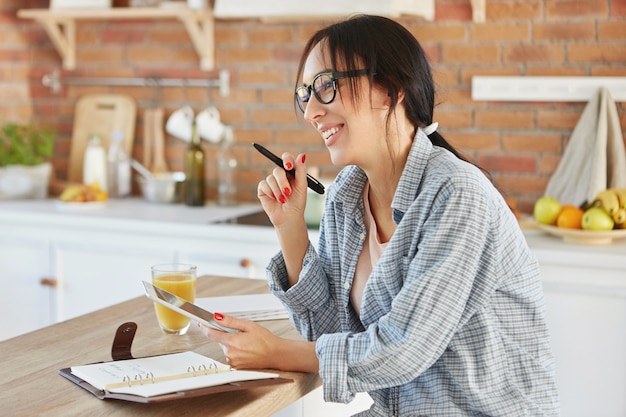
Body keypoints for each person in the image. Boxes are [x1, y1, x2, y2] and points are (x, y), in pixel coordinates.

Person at [202, 14, 560, 416]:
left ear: (389, 90)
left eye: (326, 87)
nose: (310, 113)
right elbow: (330, 336)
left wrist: (276, 351)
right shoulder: (345, 197)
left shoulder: (458, 194)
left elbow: (401, 349)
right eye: (305, 93)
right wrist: (290, 225)